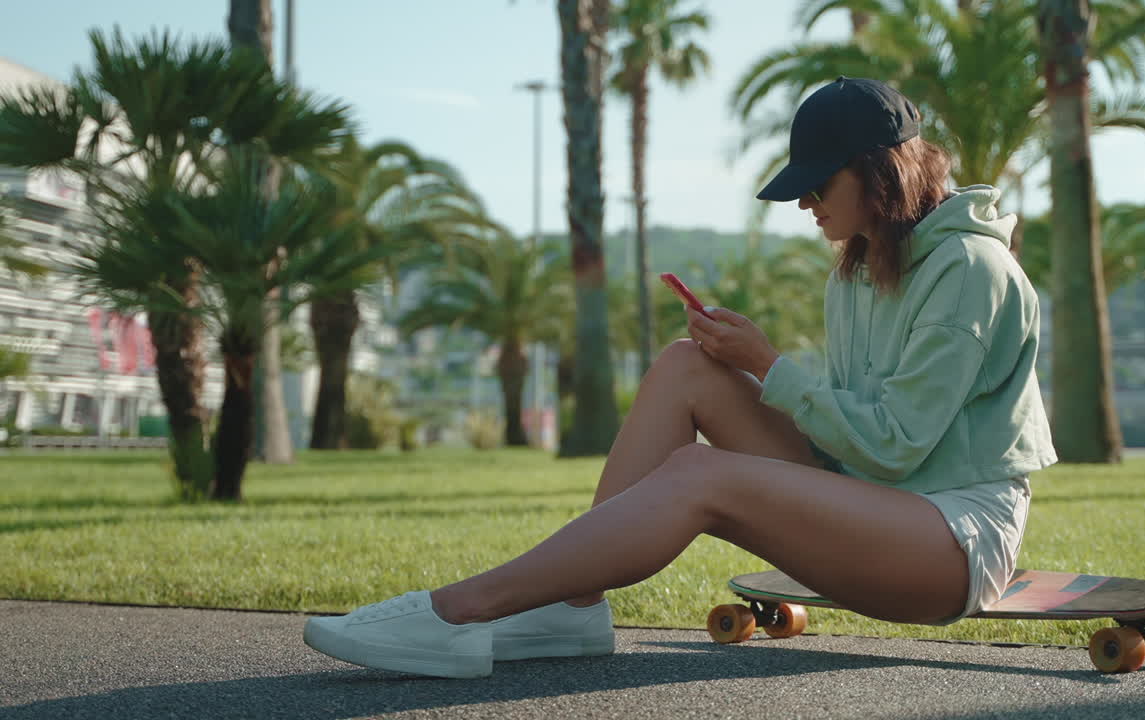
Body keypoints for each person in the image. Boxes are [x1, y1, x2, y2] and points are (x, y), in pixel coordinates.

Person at [303, 76, 1058, 679]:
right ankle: (573, 606)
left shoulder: (969, 270)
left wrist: (768, 366)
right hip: (876, 503)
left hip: (952, 540)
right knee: (685, 366)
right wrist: (746, 370)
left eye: (816, 186)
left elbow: (895, 445)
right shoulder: (858, 269)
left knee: (702, 475)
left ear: (875, 173)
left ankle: (460, 611)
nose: (803, 204)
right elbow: (859, 439)